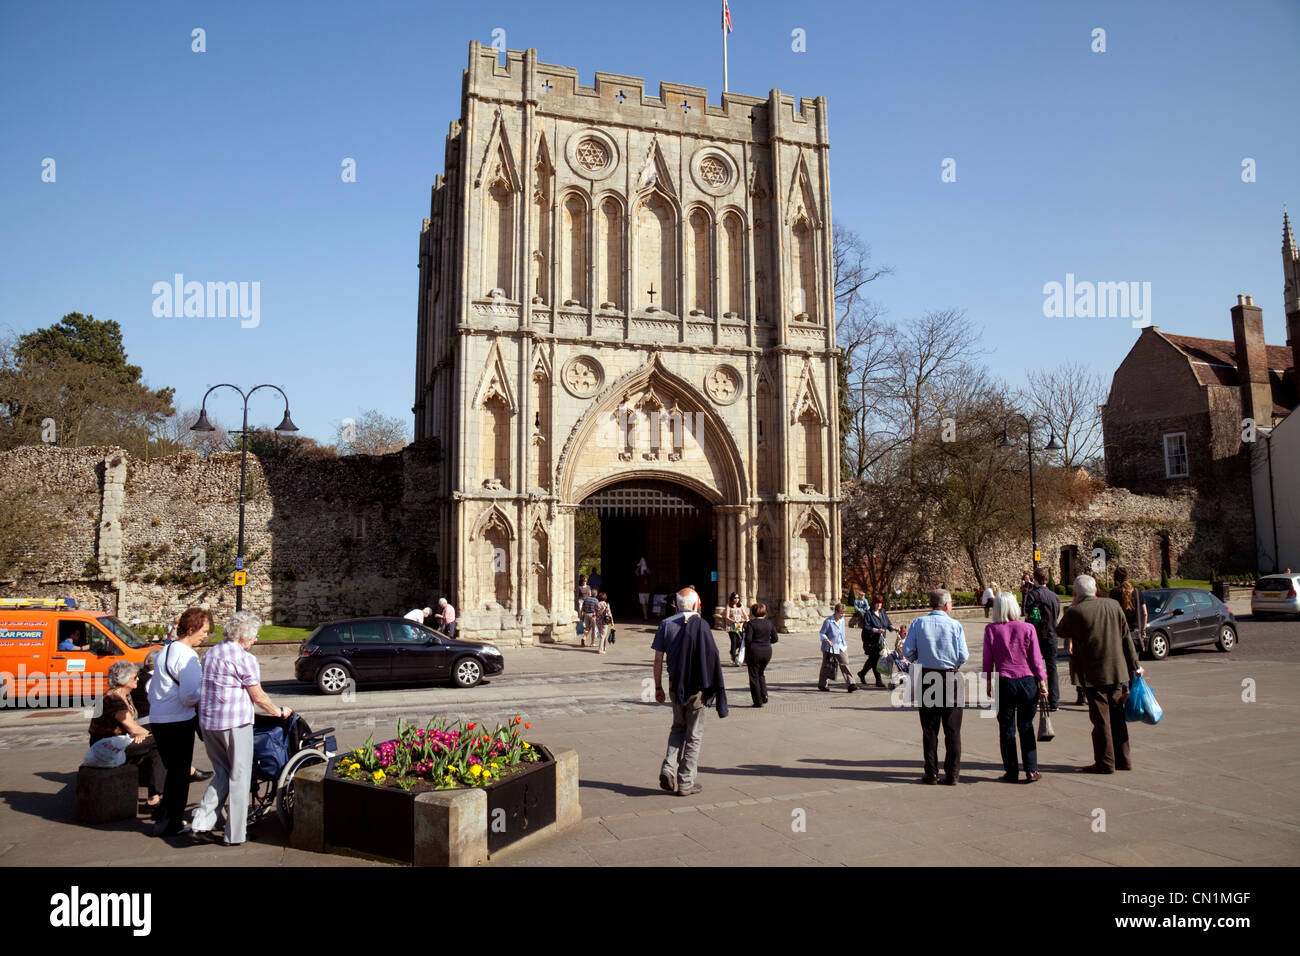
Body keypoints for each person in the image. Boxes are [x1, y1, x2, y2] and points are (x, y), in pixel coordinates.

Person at [189, 611, 292, 846]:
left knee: (222, 773)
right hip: (234, 723)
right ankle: (235, 834)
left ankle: (201, 824)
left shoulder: (211, 653)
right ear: (244, 635)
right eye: (254, 635)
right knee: (240, 776)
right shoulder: (245, 659)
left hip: (209, 723)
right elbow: (258, 695)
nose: (255, 639)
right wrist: (278, 711)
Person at [1058, 575, 1142, 774]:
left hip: (1093, 673)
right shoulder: (1113, 605)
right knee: (1117, 716)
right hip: (1117, 670)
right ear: (1095, 590)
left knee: (1101, 719)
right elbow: (1126, 638)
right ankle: (1124, 760)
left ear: (1076, 594)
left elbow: (1060, 630)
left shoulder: (1076, 612)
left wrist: (1073, 606)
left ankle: (1105, 762)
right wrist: (1135, 666)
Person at [652, 587, 728, 796]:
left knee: (678, 727)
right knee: (694, 735)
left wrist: (657, 687)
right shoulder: (702, 626)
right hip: (697, 687)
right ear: (696, 606)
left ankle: (668, 768)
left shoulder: (665, 624)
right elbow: (713, 656)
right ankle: (685, 781)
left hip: (676, 685)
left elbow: (658, 659)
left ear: (676, 605)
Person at [147, 607, 211, 836]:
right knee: (180, 772)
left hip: (159, 718)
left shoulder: (166, 650)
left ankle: (165, 814)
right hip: (178, 719)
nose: (206, 635)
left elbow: (151, 687)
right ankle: (171, 820)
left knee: (172, 769)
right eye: (204, 631)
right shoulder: (188, 657)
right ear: (192, 629)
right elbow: (189, 696)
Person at [901, 589, 970, 785]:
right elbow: (963, 655)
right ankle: (953, 773)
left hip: (927, 675)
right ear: (947, 604)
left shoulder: (918, 623)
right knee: (953, 729)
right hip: (950, 676)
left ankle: (931, 772)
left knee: (930, 729)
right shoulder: (955, 625)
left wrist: (917, 659)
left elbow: (907, 651)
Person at [982, 592, 1048, 783]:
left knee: (1006, 726)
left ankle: (1011, 770)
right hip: (1027, 679)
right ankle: (1031, 769)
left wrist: (987, 681)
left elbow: (988, 659)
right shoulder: (1027, 628)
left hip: (1005, 681)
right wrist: (1042, 681)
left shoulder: (991, 630)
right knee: (1026, 725)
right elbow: (1036, 658)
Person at [87, 660, 165, 812]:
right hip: (106, 745)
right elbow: (132, 727)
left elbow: (133, 728)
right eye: (134, 677)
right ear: (123, 680)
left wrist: (141, 734)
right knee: (162, 739)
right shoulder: (114, 699)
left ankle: (154, 798)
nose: (137, 679)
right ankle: (157, 795)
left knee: (159, 748)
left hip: (119, 740)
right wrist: (142, 734)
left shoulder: (124, 695)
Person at [1023, 567, 1062, 711]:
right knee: (1052, 668)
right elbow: (1057, 613)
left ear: (1035, 579)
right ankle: (1054, 701)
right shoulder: (1054, 596)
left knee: (1034, 666)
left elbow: (1027, 615)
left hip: (1036, 635)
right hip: (1051, 634)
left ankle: (1034, 697)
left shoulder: (1032, 595)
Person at [853, 588, 892, 687]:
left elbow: (887, 623)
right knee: (875, 659)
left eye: (880, 603)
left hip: (880, 640)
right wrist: (876, 630)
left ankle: (862, 673)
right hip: (871, 640)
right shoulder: (868, 614)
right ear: (873, 603)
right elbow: (866, 626)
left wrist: (893, 628)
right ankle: (878, 681)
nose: (879, 605)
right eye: (877, 603)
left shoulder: (882, 612)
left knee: (872, 659)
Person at [741, 602, 777, 706]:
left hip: (754, 651)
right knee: (760, 673)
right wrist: (766, 642)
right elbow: (775, 639)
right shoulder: (769, 623)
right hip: (767, 652)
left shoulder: (751, 624)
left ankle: (757, 701)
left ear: (753, 612)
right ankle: (764, 695)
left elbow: (748, 639)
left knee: (753, 676)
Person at [817, 604, 858, 693]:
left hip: (841, 646)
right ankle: (822, 685)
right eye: (841, 613)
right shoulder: (828, 622)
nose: (843, 615)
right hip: (829, 647)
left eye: (844, 613)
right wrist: (827, 640)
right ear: (836, 612)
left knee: (845, 663)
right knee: (827, 666)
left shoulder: (842, 620)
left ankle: (851, 684)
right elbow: (822, 633)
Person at [1109, 568, 1148, 658]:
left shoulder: (1114, 593)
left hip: (1119, 635)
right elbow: (1144, 613)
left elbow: (1111, 615)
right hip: (1135, 635)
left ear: (1115, 579)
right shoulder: (1138, 592)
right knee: (1134, 665)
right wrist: (1143, 630)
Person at [724, 592, 748, 666]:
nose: (737, 599)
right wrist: (733, 621)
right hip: (731, 626)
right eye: (735, 598)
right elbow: (727, 616)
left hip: (739, 625)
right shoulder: (729, 605)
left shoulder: (740, 605)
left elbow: (744, 614)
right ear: (732, 598)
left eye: (738, 598)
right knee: (734, 641)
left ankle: (732, 651)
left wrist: (747, 619)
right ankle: (734, 658)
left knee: (740, 641)